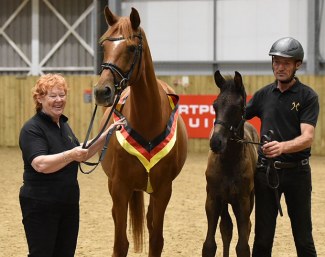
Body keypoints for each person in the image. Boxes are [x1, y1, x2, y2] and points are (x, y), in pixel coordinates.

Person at [19, 73, 125, 257]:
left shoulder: (63, 125)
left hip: (68, 203)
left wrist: (108, 133)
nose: (59, 100)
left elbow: (82, 153)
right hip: (41, 205)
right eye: (53, 96)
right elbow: (40, 164)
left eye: (62, 95)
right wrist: (71, 154)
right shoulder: (32, 128)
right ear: (40, 98)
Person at [245, 37, 319, 257]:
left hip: (298, 173)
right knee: (262, 241)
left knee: (304, 240)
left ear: (298, 65)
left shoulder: (307, 97)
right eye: (276, 62)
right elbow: (237, 118)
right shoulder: (263, 95)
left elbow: (307, 137)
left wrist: (283, 147)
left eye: (286, 63)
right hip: (266, 173)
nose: (280, 67)